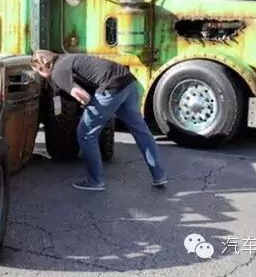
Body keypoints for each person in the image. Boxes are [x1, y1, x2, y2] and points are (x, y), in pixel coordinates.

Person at [31, 50, 167, 191]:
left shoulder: (58, 72)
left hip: (110, 88)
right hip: (128, 82)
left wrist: (91, 111)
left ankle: (95, 181)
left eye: (38, 72)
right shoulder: (67, 58)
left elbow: (82, 95)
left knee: (85, 134)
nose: (42, 76)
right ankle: (159, 175)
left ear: (42, 67)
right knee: (141, 131)